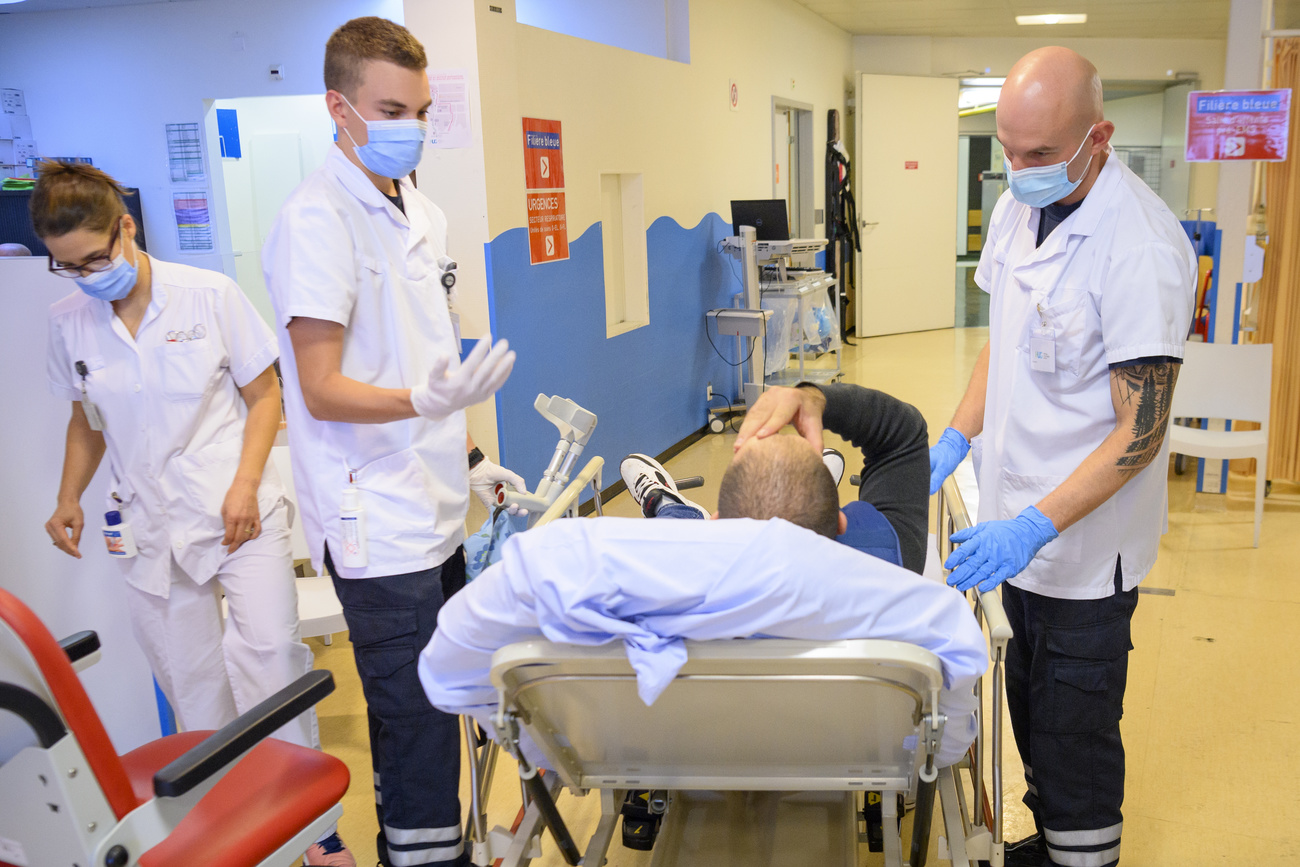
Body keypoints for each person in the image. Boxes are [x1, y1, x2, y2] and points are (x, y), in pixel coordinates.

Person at [33, 160, 352, 865]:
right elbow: (86, 420)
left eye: (95, 256)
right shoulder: (69, 321)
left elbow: (264, 394)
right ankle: (224, 824)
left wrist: (244, 483)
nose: (87, 275)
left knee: (270, 660)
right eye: (69, 267)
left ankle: (318, 831)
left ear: (126, 227)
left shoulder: (207, 294)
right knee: (191, 682)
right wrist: (66, 498)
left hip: (240, 511)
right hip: (149, 526)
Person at [926, 48, 1196, 867]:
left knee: (1075, 733)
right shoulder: (1017, 207)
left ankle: (1084, 855)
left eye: (1039, 154)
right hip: (1016, 532)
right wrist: (955, 433)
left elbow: (1140, 431)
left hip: (1080, 552)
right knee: (1030, 714)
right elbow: (1003, 342)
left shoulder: (1141, 244)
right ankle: (1051, 845)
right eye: (1008, 149)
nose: (1018, 169)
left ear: (1099, 135)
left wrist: (1036, 524)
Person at [262, 17, 519, 867]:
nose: (411, 125)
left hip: (437, 504)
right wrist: (422, 399)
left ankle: (420, 849)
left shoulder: (423, 211)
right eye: (390, 108)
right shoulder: (316, 221)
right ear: (339, 108)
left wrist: (474, 455)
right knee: (415, 732)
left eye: (420, 107)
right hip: (377, 520)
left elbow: (432, 351)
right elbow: (322, 386)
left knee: (437, 704)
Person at [625, 382, 930, 573]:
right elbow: (904, 434)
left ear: (716, 525)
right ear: (840, 521)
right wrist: (814, 397)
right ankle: (811, 492)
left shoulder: (671, 583)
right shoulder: (892, 562)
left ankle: (664, 501)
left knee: (676, 527)